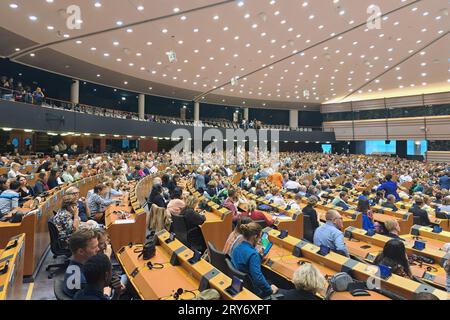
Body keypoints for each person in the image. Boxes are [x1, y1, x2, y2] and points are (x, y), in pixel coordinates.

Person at [231, 222, 278, 298]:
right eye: (260, 237)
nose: (260, 240)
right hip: (252, 290)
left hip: (238, 284)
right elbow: (258, 279)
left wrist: (258, 256)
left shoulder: (238, 247)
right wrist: (270, 290)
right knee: (275, 282)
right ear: (255, 237)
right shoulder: (253, 255)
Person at [63, 229, 99, 298]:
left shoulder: (74, 264)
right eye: (94, 247)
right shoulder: (82, 281)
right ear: (81, 251)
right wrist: (107, 291)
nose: (98, 249)